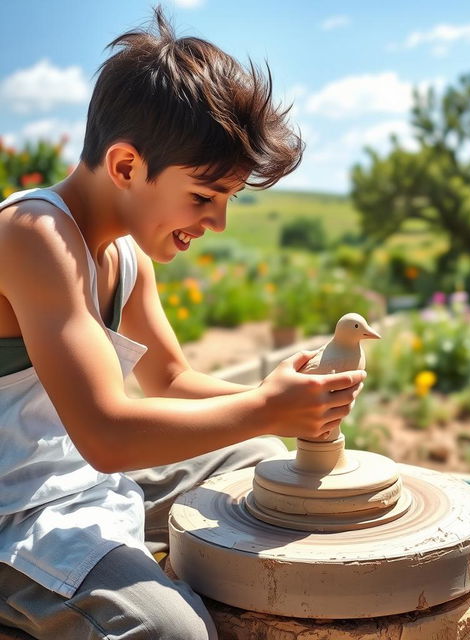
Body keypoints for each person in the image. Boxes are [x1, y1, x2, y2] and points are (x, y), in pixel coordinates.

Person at [0, 6, 365, 640]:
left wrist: (283, 400)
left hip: (78, 483)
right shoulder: (31, 236)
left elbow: (170, 380)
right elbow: (108, 435)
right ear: (125, 167)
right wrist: (265, 408)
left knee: (259, 453)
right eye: (203, 197)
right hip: (15, 513)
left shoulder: (124, 254)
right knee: (175, 633)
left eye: (227, 200)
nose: (218, 223)